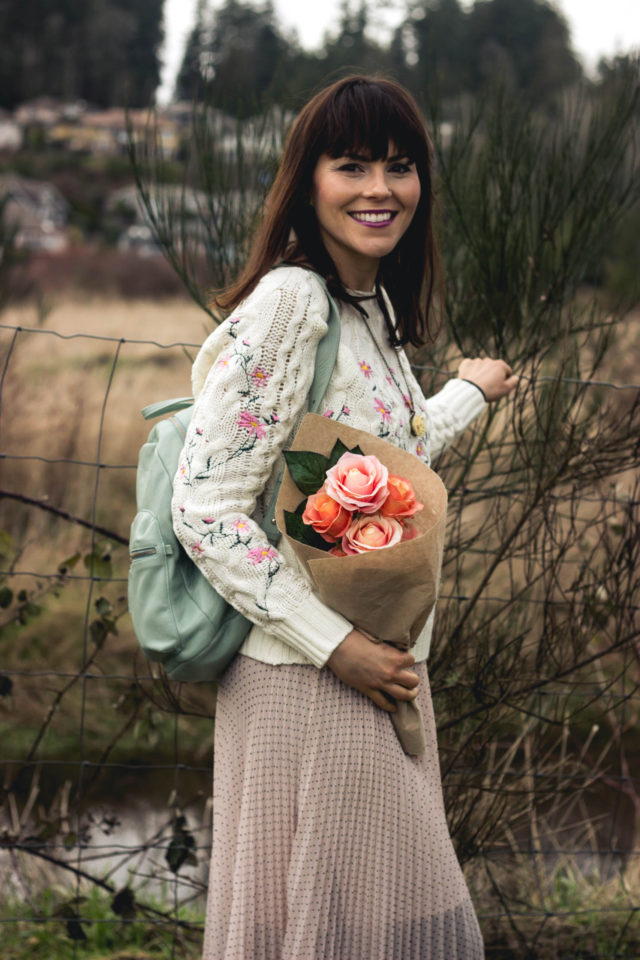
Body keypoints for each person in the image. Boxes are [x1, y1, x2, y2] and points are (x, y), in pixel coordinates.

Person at [172, 75, 517, 960]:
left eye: (400, 167)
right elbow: (203, 507)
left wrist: (467, 395)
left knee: (373, 927)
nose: (379, 189)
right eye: (352, 164)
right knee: (350, 929)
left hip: (379, 671)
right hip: (305, 675)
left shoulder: (373, 306)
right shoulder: (295, 302)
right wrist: (337, 647)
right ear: (308, 179)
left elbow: (382, 455)